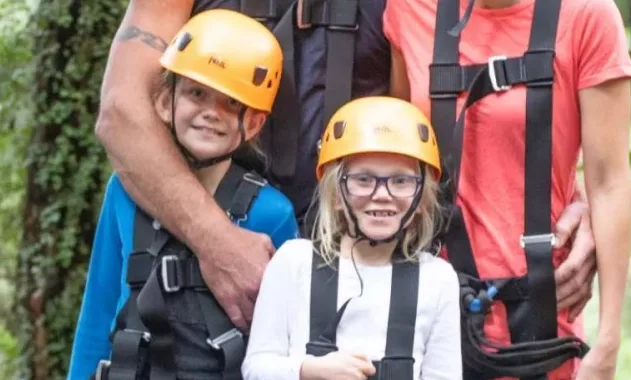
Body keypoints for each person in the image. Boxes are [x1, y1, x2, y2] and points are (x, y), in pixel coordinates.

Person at [94, 0, 599, 347]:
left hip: (358, 280)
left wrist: (578, 196)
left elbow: (480, 94)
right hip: (196, 275)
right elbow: (123, 112)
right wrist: (218, 243)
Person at [382, 0, 631, 380]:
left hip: (528, 326)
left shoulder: (585, 16)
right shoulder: (410, 10)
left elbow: (609, 182)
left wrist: (608, 341)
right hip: (419, 324)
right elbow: (392, 152)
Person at [52, 10, 298, 380]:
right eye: (196, 93)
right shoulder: (125, 192)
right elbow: (99, 306)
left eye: (230, 103)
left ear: (253, 121)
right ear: (165, 100)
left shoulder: (273, 214)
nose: (210, 111)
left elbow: (282, 334)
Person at [242, 96, 464, 380]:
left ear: (420, 198)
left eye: (400, 181)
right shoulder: (294, 262)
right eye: (363, 179)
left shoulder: (437, 280)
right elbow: (257, 368)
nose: (382, 195)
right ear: (337, 189)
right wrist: (314, 371)